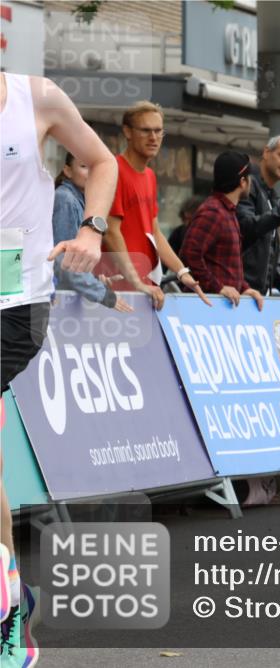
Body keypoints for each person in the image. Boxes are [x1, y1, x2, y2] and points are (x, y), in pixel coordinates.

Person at [1, 70, 119, 668]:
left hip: (16, 300)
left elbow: (102, 162)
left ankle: (9, 612)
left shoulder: (36, 96)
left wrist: (91, 230)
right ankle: (10, 603)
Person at [97, 101, 208, 309]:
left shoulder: (149, 176)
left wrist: (182, 272)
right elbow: (111, 231)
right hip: (117, 290)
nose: (153, 137)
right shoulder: (115, 170)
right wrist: (136, 281)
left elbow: (154, 232)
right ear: (127, 132)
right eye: (145, 130)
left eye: (158, 131)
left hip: (144, 289)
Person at [179, 151, 264, 310]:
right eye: (249, 177)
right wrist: (218, 287)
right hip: (207, 309)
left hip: (219, 308)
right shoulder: (214, 212)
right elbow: (189, 254)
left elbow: (226, 265)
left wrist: (244, 288)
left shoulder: (226, 211)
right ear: (242, 182)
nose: (251, 182)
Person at [236, 133, 280, 312]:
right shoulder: (247, 186)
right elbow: (247, 228)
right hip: (239, 294)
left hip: (258, 299)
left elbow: (270, 256)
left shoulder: (273, 197)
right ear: (266, 152)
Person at [51, 152, 132, 312]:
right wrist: (102, 294)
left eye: (95, 168)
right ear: (68, 171)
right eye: (84, 166)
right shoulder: (66, 199)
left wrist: (95, 280)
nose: (92, 173)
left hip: (65, 300)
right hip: (57, 302)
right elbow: (64, 263)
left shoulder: (83, 201)